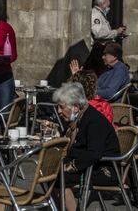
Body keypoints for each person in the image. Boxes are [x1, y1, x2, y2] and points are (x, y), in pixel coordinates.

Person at [52, 82, 120, 211]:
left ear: (75, 107)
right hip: (89, 164)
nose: (58, 111)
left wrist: (69, 167)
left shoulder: (94, 121)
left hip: (105, 169)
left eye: (61, 107)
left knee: (60, 177)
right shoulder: (77, 119)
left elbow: (94, 153)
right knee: (48, 172)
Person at [84, 0, 126, 76]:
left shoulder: (101, 14)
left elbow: (104, 32)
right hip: (99, 49)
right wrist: (116, 32)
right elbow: (98, 33)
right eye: (108, 4)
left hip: (103, 48)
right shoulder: (96, 14)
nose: (109, 7)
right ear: (103, 3)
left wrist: (116, 34)